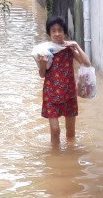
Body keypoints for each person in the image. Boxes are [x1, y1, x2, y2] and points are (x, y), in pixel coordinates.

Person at [35, 16, 91, 144]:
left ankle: (70, 155)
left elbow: (87, 63)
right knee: (55, 131)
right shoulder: (44, 51)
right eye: (53, 31)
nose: (57, 33)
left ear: (64, 32)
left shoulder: (68, 48)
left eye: (60, 30)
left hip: (69, 93)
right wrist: (43, 64)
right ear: (49, 33)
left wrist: (76, 45)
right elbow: (42, 75)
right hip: (51, 94)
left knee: (71, 132)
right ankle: (55, 158)